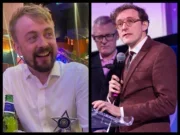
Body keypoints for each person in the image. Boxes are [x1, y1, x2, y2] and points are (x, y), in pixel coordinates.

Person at [3, 4, 88, 132]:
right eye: (32, 38)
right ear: (17, 48)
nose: (43, 44)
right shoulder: (10, 77)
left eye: (48, 34)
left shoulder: (78, 74)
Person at [92, 4, 177, 132]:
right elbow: (127, 99)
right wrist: (111, 96)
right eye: (119, 24)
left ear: (144, 25)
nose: (124, 27)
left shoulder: (161, 52)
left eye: (130, 21)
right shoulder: (124, 57)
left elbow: (168, 103)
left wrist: (120, 111)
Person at [91, 16, 120, 132]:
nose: (103, 41)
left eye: (108, 35)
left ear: (117, 35)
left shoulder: (129, 62)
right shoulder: (87, 66)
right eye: (99, 37)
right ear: (94, 38)